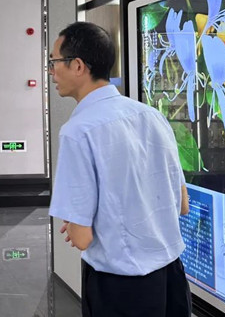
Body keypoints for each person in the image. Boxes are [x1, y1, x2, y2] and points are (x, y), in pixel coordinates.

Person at [48, 22, 191, 317]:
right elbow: (182, 204)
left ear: (78, 66)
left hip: (121, 289)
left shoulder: (78, 131)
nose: (51, 72)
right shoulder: (152, 116)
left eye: (54, 62)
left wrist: (75, 224)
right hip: (172, 280)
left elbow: (82, 238)